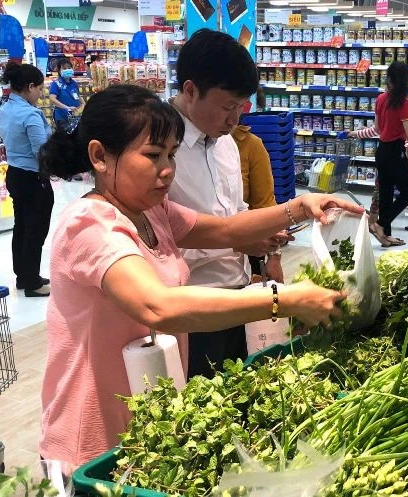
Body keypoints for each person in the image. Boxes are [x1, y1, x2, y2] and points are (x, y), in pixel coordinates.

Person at [38, 84, 361, 468]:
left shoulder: (151, 211)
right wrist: (282, 300)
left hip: (144, 427)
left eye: (172, 154)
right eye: (153, 155)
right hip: (91, 438)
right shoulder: (90, 225)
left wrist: (300, 207)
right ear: (99, 156)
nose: (167, 170)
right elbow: (157, 306)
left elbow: (224, 230)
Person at [167, 29, 291, 378]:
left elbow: (236, 211)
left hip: (237, 296)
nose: (235, 119)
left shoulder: (227, 143)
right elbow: (155, 241)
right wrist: (234, 240)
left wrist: (264, 242)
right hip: (190, 308)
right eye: (227, 107)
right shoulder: (158, 149)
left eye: (241, 107)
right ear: (190, 90)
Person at [0, 62, 52, 297]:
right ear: (30, 87)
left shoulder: (7, 108)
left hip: (14, 174)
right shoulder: (30, 115)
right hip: (33, 177)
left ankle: (24, 275)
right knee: (35, 230)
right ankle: (32, 283)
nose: (41, 94)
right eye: (39, 89)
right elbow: (42, 151)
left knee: (21, 226)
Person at [367, 61, 408, 247]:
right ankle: (380, 225)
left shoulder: (380, 99)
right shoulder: (403, 103)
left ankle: (385, 236)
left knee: (386, 194)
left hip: (382, 151)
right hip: (395, 151)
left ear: (389, 78)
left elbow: (377, 128)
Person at [233, 88, 284, 283]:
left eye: (238, 107)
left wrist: (274, 257)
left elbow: (265, 205)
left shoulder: (251, 145)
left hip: (246, 261)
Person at [48, 59, 84, 131]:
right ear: (59, 70)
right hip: (62, 118)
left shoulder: (74, 83)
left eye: (69, 68)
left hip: (75, 117)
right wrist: (67, 108)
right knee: (65, 136)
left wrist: (83, 104)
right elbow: (52, 99)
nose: (67, 70)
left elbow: (78, 95)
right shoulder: (56, 83)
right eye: (64, 68)